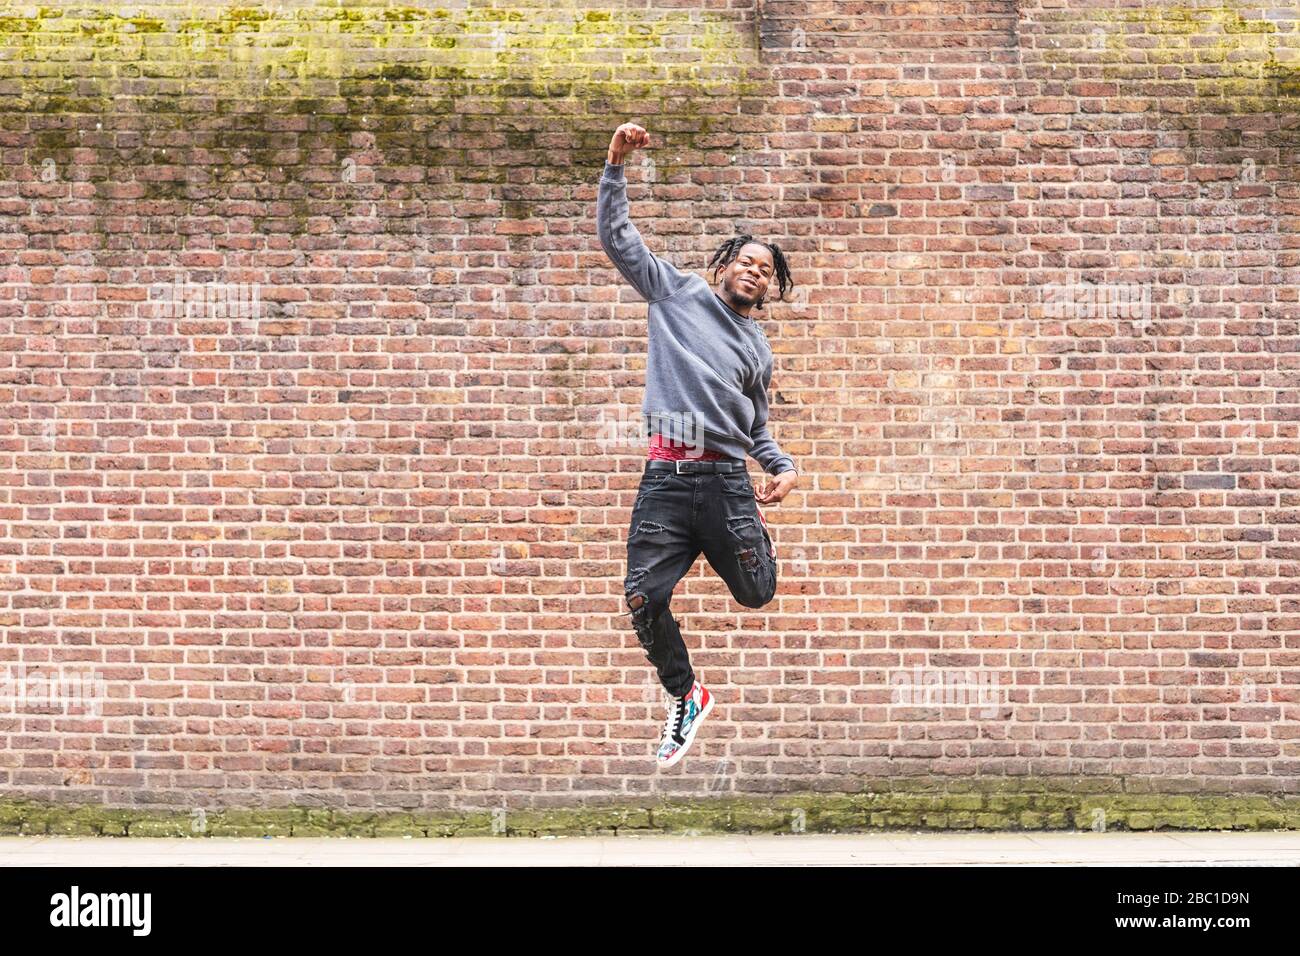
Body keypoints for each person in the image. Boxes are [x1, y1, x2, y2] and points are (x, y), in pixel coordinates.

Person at [596, 122, 801, 767]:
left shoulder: (756, 349)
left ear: (769, 288)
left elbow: (757, 424)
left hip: (724, 481)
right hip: (666, 474)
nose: (755, 271)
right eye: (746, 261)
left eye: (766, 271)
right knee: (642, 596)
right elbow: (618, 241)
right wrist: (615, 166)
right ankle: (686, 696)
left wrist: (781, 467)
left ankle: (750, 538)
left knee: (756, 594)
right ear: (721, 267)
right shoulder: (675, 292)